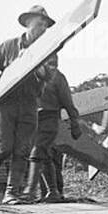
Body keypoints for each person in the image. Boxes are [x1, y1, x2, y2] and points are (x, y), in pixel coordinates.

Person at [0, 3, 56, 203]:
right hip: (5, 104)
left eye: (46, 25)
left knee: (22, 151)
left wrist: (37, 66)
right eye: (39, 24)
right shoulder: (7, 46)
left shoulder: (49, 51)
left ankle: (12, 193)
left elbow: (48, 75)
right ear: (28, 23)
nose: (43, 28)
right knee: (3, 148)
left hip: (29, 104)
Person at [29, 53, 81, 202]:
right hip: (33, 120)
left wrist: (75, 123)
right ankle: (48, 193)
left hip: (50, 118)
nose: (52, 66)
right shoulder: (30, 76)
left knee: (42, 153)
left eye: (54, 63)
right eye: (49, 63)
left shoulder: (58, 78)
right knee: (41, 157)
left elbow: (68, 102)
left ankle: (55, 192)